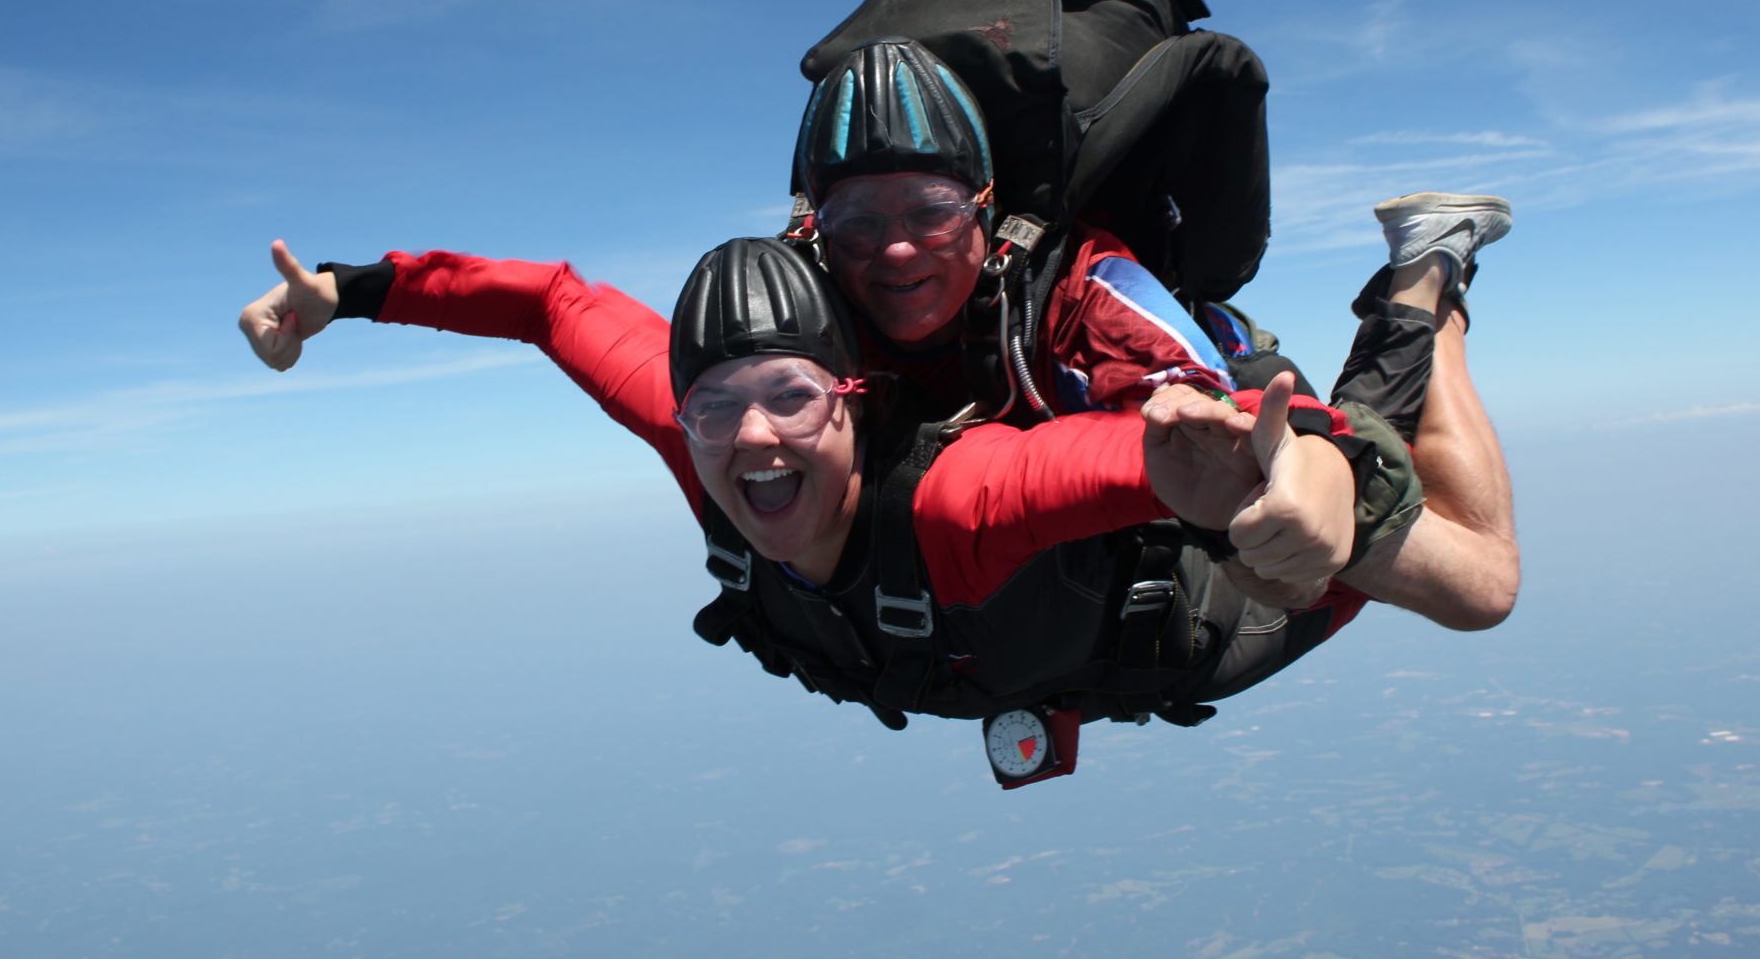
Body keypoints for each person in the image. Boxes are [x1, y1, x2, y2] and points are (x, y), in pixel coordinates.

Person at [241, 235, 1424, 783]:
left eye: (792, 398)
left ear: (852, 401)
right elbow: (550, 305)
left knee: (1456, 571)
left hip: (1194, 626)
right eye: (717, 406)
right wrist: (347, 292)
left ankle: (1423, 286)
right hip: (1016, 662)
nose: (753, 436)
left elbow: (1122, 467)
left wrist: (1303, 460)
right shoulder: (694, 434)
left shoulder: (961, 504)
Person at [790, 39, 1518, 627]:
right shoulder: (804, 298)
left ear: (985, 206)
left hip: (1211, 490)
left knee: (1479, 587)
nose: (895, 249)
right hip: (1030, 593)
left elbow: (1198, 413)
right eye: (857, 221)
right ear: (814, 231)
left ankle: (1427, 282)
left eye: (930, 209)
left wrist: (1301, 499)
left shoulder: (1086, 289)